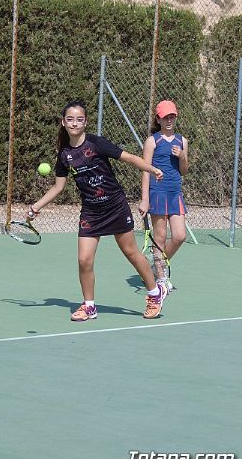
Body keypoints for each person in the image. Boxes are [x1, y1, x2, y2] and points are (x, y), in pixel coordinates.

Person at [28, 99, 167, 320]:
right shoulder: (64, 155)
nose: (75, 123)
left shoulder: (97, 144)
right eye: (70, 119)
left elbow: (129, 158)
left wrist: (152, 169)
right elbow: (58, 187)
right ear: (63, 123)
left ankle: (154, 293)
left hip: (115, 206)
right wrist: (36, 207)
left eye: (79, 119)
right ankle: (89, 306)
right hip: (91, 212)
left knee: (131, 253)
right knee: (84, 260)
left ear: (86, 122)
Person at [139, 100, 189, 291]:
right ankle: (160, 278)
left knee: (179, 236)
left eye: (172, 116)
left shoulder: (182, 141)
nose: (169, 120)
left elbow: (184, 171)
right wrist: (145, 199)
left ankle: (156, 266)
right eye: (165, 117)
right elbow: (145, 170)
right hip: (157, 193)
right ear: (158, 119)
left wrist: (182, 156)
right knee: (159, 237)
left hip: (175, 193)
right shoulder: (152, 142)